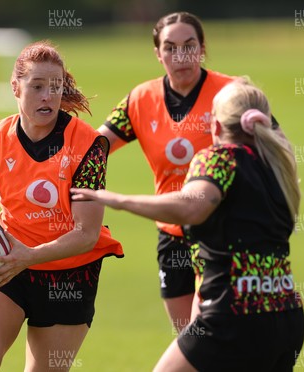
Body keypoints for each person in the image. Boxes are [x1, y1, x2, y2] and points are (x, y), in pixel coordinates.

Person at [72, 79, 304, 371]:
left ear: (216, 127)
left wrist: (118, 200)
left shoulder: (218, 159)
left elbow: (192, 206)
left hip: (232, 315)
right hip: (286, 315)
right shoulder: (279, 166)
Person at [98, 11, 283, 332]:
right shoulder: (140, 99)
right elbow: (93, 149)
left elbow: (275, 147)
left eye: (189, 45)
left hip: (224, 235)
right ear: (158, 54)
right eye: (170, 47)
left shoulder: (233, 93)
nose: (180, 56)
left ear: (203, 48)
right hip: (172, 235)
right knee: (189, 339)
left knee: (213, 338)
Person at [0, 41, 123, 372]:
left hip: (69, 276)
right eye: (37, 86)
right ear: (15, 87)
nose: (47, 96)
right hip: (6, 265)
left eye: (54, 87)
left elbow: (87, 233)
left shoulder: (88, 145)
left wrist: (28, 255)